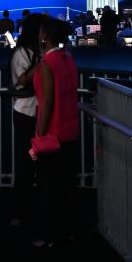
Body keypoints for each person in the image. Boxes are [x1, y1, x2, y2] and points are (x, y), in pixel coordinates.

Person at [30, 18, 81, 248]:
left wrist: (39, 136)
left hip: (53, 136)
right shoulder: (68, 60)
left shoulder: (46, 65)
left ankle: (51, 237)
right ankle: (69, 232)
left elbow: (47, 102)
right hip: (71, 132)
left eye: (41, 33)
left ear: (44, 37)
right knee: (67, 186)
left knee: (49, 188)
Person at [8, 14, 44, 229]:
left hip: (38, 112)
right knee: (24, 163)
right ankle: (19, 212)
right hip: (25, 113)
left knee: (39, 163)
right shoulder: (22, 53)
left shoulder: (34, 53)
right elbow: (21, 82)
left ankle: (34, 210)